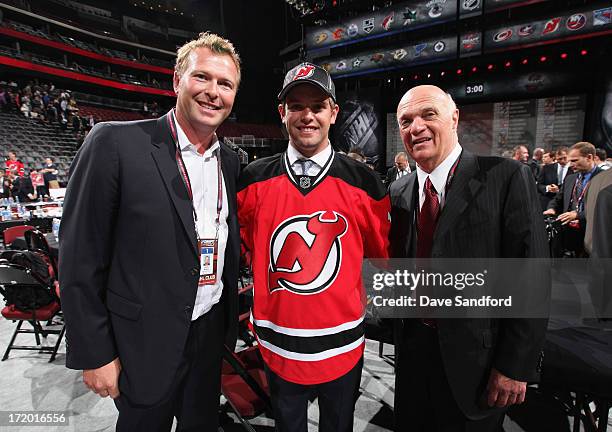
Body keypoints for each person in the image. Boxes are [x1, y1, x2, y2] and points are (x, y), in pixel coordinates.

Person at [59, 32, 242, 432]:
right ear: (177, 80)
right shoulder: (114, 142)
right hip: (142, 340)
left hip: (208, 333)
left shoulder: (230, 161)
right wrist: (94, 352)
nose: (213, 92)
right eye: (202, 78)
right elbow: (78, 258)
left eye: (225, 84)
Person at [237, 62, 390, 432]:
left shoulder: (366, 183)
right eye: (297, 106)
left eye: (317, 106)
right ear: (282, 112)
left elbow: (380, 257)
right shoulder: (251, 180)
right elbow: (247, 250)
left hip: (343, 344)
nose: (307, 116)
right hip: (278, 345)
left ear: (334, 113)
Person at [390, 85, 548, 431]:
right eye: (406, 121)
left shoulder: (505, 177)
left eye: (428, 114)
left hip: (478, 363)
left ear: (454, 118)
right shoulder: (399, 191)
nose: (416, 127)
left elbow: (532, 278)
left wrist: (514, 366)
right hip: (413, 354)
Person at [544, 142, 603, 256]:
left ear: (589, 157)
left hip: (592, 235)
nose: (570, 164)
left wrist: (578, 215)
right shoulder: (570, 178)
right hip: (569, 235)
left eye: (574, 160)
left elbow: (603, 208)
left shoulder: (604, 179)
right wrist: (551, 208)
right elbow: (558, 199)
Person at [537, 147, 572, 211]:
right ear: (555, 158)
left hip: (566, 205)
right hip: (547, 203)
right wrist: (547, 188)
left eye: (565, 158)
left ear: (569, 156)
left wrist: (559, 191)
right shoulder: (546, 168)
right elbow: (538, 185)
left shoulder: (574, 169)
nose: (562, 161)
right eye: (559, 159)